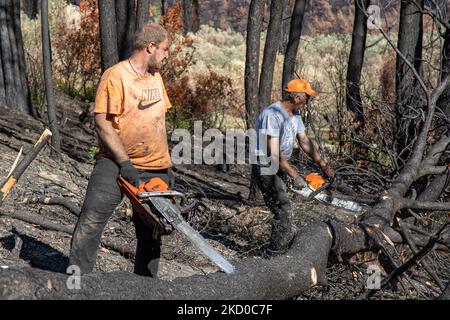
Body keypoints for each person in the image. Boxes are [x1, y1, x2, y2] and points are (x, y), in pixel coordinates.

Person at [69, 23, 172, 277]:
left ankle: (144, 291)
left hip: (155, 166)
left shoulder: (156, 78)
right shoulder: (115, 76)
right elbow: (102, 123)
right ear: (150, 47)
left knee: (152, 232)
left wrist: (166, 166)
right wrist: (125, 163)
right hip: (115, 162)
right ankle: (77, 285)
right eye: (165, 49)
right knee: (91, 221)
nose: (167, 55)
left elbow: (157, 122)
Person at [253, 79, 335, 253]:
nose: (308, 101)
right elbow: (274, 154)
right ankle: (274, 254)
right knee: (283, 209)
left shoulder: (295, 115)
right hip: (266, 164)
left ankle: (282, 247)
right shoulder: (272, 115)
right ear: (297, 97)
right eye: (307, 97)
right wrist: (294, 175)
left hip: (279, 163)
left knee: (284, 206)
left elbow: (304, 141)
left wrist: (323, 164)